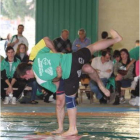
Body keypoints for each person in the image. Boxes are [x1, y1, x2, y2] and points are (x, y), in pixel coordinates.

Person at [16, 29, 122, 136]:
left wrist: (58, 73)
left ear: (28, 71)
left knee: (70, 98)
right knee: (92, 49)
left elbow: (55, 87)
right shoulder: (38, 55)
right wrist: (57, 62)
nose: (27, 79)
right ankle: (116, 39)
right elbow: (47, 45)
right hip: (72, 58)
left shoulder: (39, 78)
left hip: (69, 73)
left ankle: (72, 128)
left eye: (25, 77)